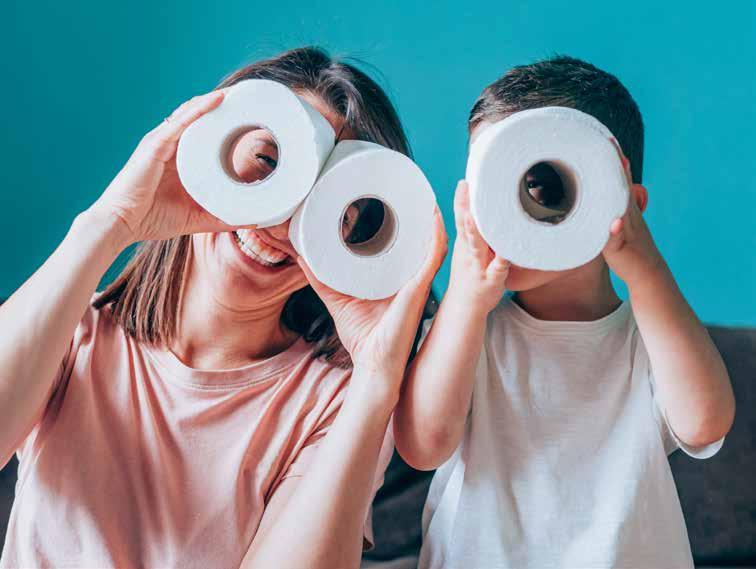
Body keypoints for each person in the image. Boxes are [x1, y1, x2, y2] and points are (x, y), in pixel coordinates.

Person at [0, 46, 446, 569]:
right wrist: (112, 221)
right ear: (214, 145)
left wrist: (375, 381)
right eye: (268, 165)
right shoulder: (72, 327)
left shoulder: (336, 403)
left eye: (329, 211)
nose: (281, 225)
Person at [393, 55, 735, 568]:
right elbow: (423, 445)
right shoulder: (469, 334)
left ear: (625, 202)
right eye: (488, 185)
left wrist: (645, 268)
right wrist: (464, 294)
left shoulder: (652, 340)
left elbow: (704, 422)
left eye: (537, 185)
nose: (503, 212)